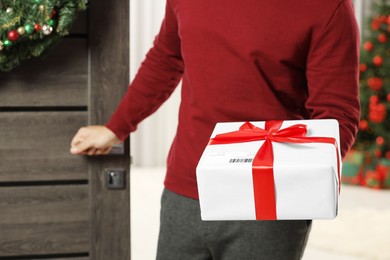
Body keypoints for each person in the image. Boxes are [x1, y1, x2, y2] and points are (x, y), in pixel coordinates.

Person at [70, 0, 360, 259]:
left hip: (269, 197)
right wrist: (116, 127)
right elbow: (166, 58)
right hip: (186, 186)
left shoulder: (328, 6)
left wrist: (303, 185)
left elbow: (336, 114)